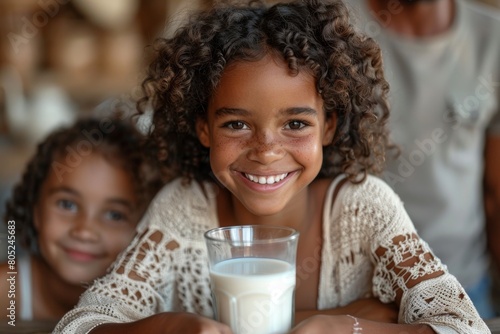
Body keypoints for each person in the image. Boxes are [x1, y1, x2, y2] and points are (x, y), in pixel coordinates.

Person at [53, 0, 489, 333]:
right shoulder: (182, 211)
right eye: (237, 123)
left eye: (295, 123)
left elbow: (466, 325)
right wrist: (172, 325)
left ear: (329, 127)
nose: (265, 150)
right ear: (203, 128)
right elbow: (79, 324)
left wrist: (349, 326)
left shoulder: (363, 209)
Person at [345, 0, 500, 319]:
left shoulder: (493, 38)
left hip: (462, 287)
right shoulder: (332, 22)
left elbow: (496, 193)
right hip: (354, 297)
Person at [0, 116, 161, 321]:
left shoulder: (151, 310)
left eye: (115, 215)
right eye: (67, 205)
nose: (84, 231)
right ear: (35, 207)